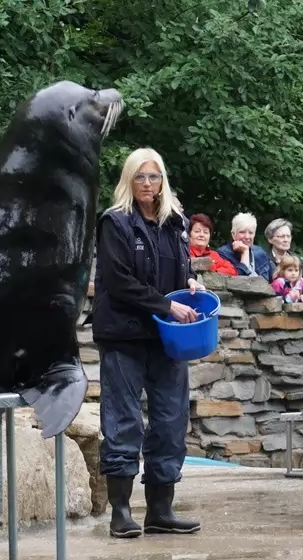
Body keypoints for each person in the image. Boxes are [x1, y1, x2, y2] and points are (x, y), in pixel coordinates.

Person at [90, 147, 203, 539]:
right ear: (129, 180)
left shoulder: (174, 223)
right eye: (140, 176)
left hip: (167, 339)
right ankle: (121, 512)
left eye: (154, 177)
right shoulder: (115, 223)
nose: (148, 184)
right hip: (123, 334)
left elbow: (178, 268)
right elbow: (119, 282)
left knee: (171, 421)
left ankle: (161, 510)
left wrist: (189, 284)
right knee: (123, 421)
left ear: (162, 181)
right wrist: (165, 305)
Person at [263, 218, 303, 300]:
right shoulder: (263, 260)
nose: (286, 240)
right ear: (270, 239)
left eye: (288, 236)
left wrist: (299, 294)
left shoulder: (298, 260)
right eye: (281, 236)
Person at [216, 212, 272, 281]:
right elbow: (238, 283)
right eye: (242, 232)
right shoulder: (223, 254)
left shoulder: (261, 253)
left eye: (251, 233)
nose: (247, 237)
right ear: (233, 234)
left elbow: (269, 283)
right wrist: (245, 253)